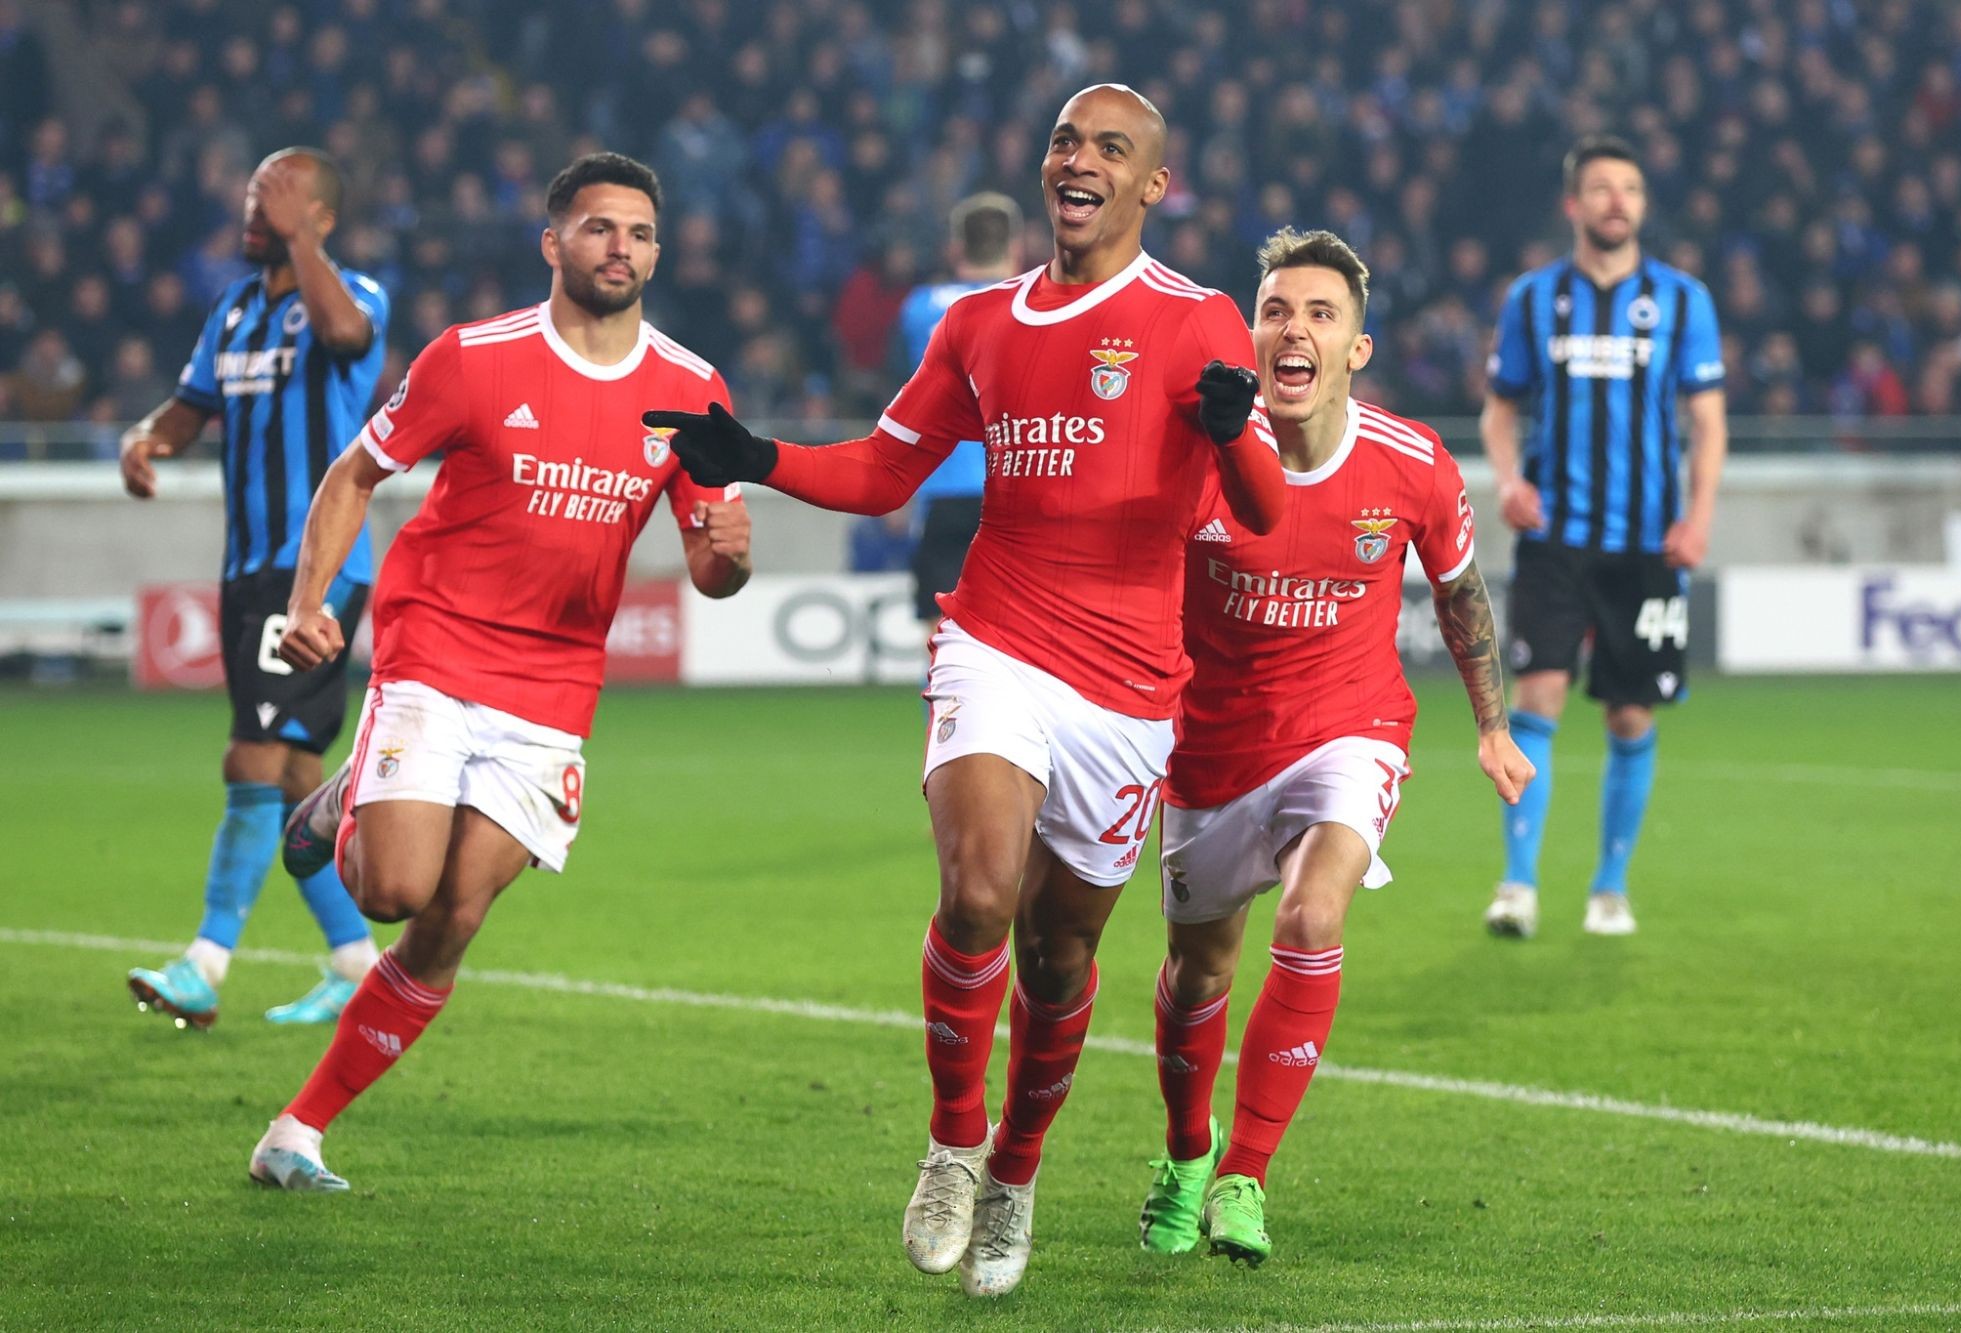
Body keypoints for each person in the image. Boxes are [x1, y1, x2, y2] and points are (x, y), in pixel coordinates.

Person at [649, 85, 1285, 1298]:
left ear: (1152, 185)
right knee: (979, 891)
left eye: (1109, 148)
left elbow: (1257, 514)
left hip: (1128, 687)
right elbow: (886, 468)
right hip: (995, 638)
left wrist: (1235, 432)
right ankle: (952, 1140)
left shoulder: (1197, 318)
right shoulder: (978, 322)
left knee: (1059, 959)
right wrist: (760, 456)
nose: (1078, 160)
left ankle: (1015, 1170)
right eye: (1063, 140)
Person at [244, 152, 753, 1191]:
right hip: (436, 644)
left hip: (554, 686)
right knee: (393, 889)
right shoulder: (474, 358)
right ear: (553, 241)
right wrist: (307, 605)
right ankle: (349, 800)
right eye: (600, 228)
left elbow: (712, 569)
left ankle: (296, 1130)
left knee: (454, 919)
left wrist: (731, 556)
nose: (621, 248)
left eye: (640, 233)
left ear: (658, 253)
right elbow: (355, 472)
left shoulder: (691, 389)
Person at [1137, 228, 1534, 1266]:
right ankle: (1185, 1154)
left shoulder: (1411, 461)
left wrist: (1490, 725)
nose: (1293, 330)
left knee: (1313, 913)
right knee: (1197, 970)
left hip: (1348, 727)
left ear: (1356, 348)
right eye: (1274, 311)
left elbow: (1459, 592)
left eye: (1320, 314)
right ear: (1249, 335)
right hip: (1210, 747)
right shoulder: (1196, 451)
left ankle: (1244, 1175)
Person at [120, 148, 389, 1029]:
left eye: (275, 198)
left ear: (320, 218)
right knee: (292, 776)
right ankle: (356, 963)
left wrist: (299, 242)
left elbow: (348, 339)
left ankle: (204, 964)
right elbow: (190, 406)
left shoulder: (355, 296)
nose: (254, 210)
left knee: (252, 757)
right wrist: (147, 438)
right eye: (251, 196)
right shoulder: (233, 309)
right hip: (245, 568)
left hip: (316, 568)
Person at [1480, 135, 1727, 939]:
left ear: (1643, 205)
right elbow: (1500, 408)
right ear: (1573, 204)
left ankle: (1610, 888)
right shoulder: (1533, 298)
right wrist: (1508, 481)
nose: (1617, 200)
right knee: (1537, 698)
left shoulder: (1683, 301)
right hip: (1555, 539)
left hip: (1648, 545)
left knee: (1630, 717)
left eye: (1630, 188)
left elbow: (1708, 421)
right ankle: (1518, 885)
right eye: (1600, 187)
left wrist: (1698, 518)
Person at [898, 192, 1023, 631]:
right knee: (1021, 626)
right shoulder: (1042, 304)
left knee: (940, 626)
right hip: (1020, 483)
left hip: (944, 484)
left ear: (955, 248)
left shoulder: (919, 308)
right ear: (1016, 247)